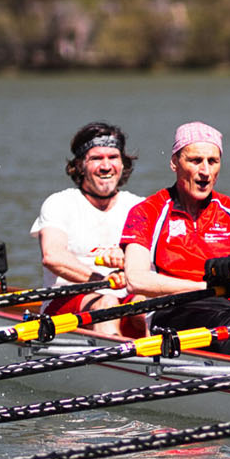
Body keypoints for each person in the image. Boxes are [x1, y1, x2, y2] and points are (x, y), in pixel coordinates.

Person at [120, 121, 230, 358]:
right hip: (171, 311)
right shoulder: (146, 212)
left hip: (227, 310)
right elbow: (135, 280)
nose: (205, 171)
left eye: (213, 161)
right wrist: (205, 288)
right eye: (195, 161)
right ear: (174, 163)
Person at [28, 122, 144, 338]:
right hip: (66, 302)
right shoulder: (61, 203)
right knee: (107, 304)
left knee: (146, 306)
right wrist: (104, 281)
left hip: (125, 295)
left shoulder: (140, 207)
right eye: (96, 158)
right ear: (80, 165)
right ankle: (118, 366)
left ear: (123, 163)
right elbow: (53, 257)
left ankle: (157, 363)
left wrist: (129, 260)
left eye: (113, 157)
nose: (106, 166)